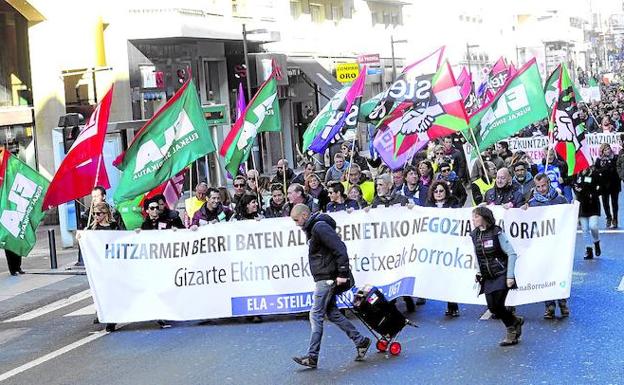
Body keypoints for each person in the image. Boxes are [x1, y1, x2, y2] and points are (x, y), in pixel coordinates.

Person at [291, 204, 371, 368]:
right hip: (327, 276)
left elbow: (340, 248)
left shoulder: (319, 227)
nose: (296, 223)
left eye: (296, 219)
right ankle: (360, 341)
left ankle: (312, 356)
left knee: (315, 314)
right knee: (331, 313)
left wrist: (342, 274)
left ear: (305, 215)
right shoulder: (315, 227)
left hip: (327, 278)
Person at [470, 206, 524, 346]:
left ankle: (511, 332)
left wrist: (510, 276)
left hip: (501, 274)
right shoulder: (474, 234)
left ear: (484, 217)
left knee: (499, 305)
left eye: (476, 216)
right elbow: (477, 255)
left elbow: (511, 253)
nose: (473, 219)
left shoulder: (496, 232)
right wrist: (478, 272)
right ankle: (515, 320)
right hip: (488, 276)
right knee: (493, 308)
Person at [525, 173, 570, 319]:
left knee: (559, 272)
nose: (541, 189)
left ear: (548, 183)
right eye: (538, 187)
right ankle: (549, 306)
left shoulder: (560, 199)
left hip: (558, 244)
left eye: (543, 185)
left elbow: (568, 218)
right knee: (545, 274)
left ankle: (562, 302)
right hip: (542, 245)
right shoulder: (532, 203)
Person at [425, 181, 459, 317]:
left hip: (450, 245)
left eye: (441, 191)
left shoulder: (453, 204)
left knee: (450, 277)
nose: (438, 194)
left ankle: (453, 305)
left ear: (446, 191)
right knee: (441, 277)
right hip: (435, 246)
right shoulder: (428, 206)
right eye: (436, 191)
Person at [89, 201, 121, 332]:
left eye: (99, 214)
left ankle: (112, 319)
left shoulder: (113, 226)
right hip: (99, 265)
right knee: (102, 291)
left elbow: (122, 238)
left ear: (105, 213)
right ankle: (105, 314)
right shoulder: (92, 228)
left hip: (112, 263)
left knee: (113, 291)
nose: (96, 216)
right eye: (94, 214)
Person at [573, 167, 602, 260]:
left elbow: (600, 187)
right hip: (582, 204)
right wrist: (576, 188)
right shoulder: (578, 174)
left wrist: (591, 192)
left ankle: (596, 242)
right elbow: (573, 184)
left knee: (593, 226)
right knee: (585, 229)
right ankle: (588, 250)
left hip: (592, 204)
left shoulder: (595, 173)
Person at [595, 143, 620, 228]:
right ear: (602, 151)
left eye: (608, 149)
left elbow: (618, 168)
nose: (608, 151)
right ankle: (608, 217)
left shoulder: (615, 157)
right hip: (603, 184)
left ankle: (615, 219)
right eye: (605, 150)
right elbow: (596, 171)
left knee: (614, 203)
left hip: (614, 183)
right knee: (605, 203)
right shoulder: (599, 160)